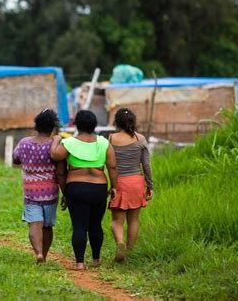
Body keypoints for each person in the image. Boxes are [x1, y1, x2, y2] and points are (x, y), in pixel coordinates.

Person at [50, 110, 117, 270]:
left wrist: (56, 139)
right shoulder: (104, 143)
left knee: (79, 226)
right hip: (99, 188)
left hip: (76, 188)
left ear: (76, 125)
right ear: (94, 124)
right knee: (96, 225)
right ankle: (96, 259)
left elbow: (55, 157)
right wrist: (114, 187)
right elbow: (112, 167)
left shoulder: (69, 143)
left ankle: (80, 263)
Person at [13, 109, 66, 264]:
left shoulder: (24, 143)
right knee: (47, 226)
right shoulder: (55, 146)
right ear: (53, 127)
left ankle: (38, 253)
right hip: (50, 192)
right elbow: (61, 172)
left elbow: (15, 159)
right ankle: (45, 254)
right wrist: (66, 193)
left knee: (35, 224)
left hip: (31, 192)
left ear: (36, 125)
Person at [108, 108, 154, 262]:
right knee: (133, 220)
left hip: (119, 183)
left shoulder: (111, 138)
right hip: (136, 182)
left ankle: (120, 243)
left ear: (117, 122)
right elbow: (146, 165)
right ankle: (130, 251)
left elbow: (109, 164)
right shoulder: (140, 139)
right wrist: (150, 186)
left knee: (117, 221)